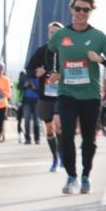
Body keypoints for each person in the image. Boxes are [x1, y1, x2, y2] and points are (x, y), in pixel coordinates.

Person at [45, 0, 106, 195]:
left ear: (91, 12)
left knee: (89, 138)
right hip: (67, 92)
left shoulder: (97, 36)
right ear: (71, 10)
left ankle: (86, 176)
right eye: (78, 8)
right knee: (66, 134)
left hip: (91, 95)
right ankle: (71, 177)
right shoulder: (61, 35)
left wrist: (100, 59)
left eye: (86, 10)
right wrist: (53, 71)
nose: (81, 13)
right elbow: (49, 51)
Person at [27, 22, 65, 171]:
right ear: (48, 34)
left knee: (58, 124)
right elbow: (29, 69)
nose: (54, 34)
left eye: (57, 32)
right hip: (45, 95)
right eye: (51, 32)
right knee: (50, 129)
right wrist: (37, 72)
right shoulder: (41, 51)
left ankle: (62, 155)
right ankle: (55, 158)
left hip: (62, 95)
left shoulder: (67, 51)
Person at [18, 69, 41, 144]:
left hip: (36, 101)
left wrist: (35, 87)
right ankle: (27, 139)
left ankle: (37, 139)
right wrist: (25, 85)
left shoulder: (38, 76)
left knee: (36, 121)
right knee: (26, 120)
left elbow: (42, 89)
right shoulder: (24, 76)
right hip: (26, 101)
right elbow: (19, 86)